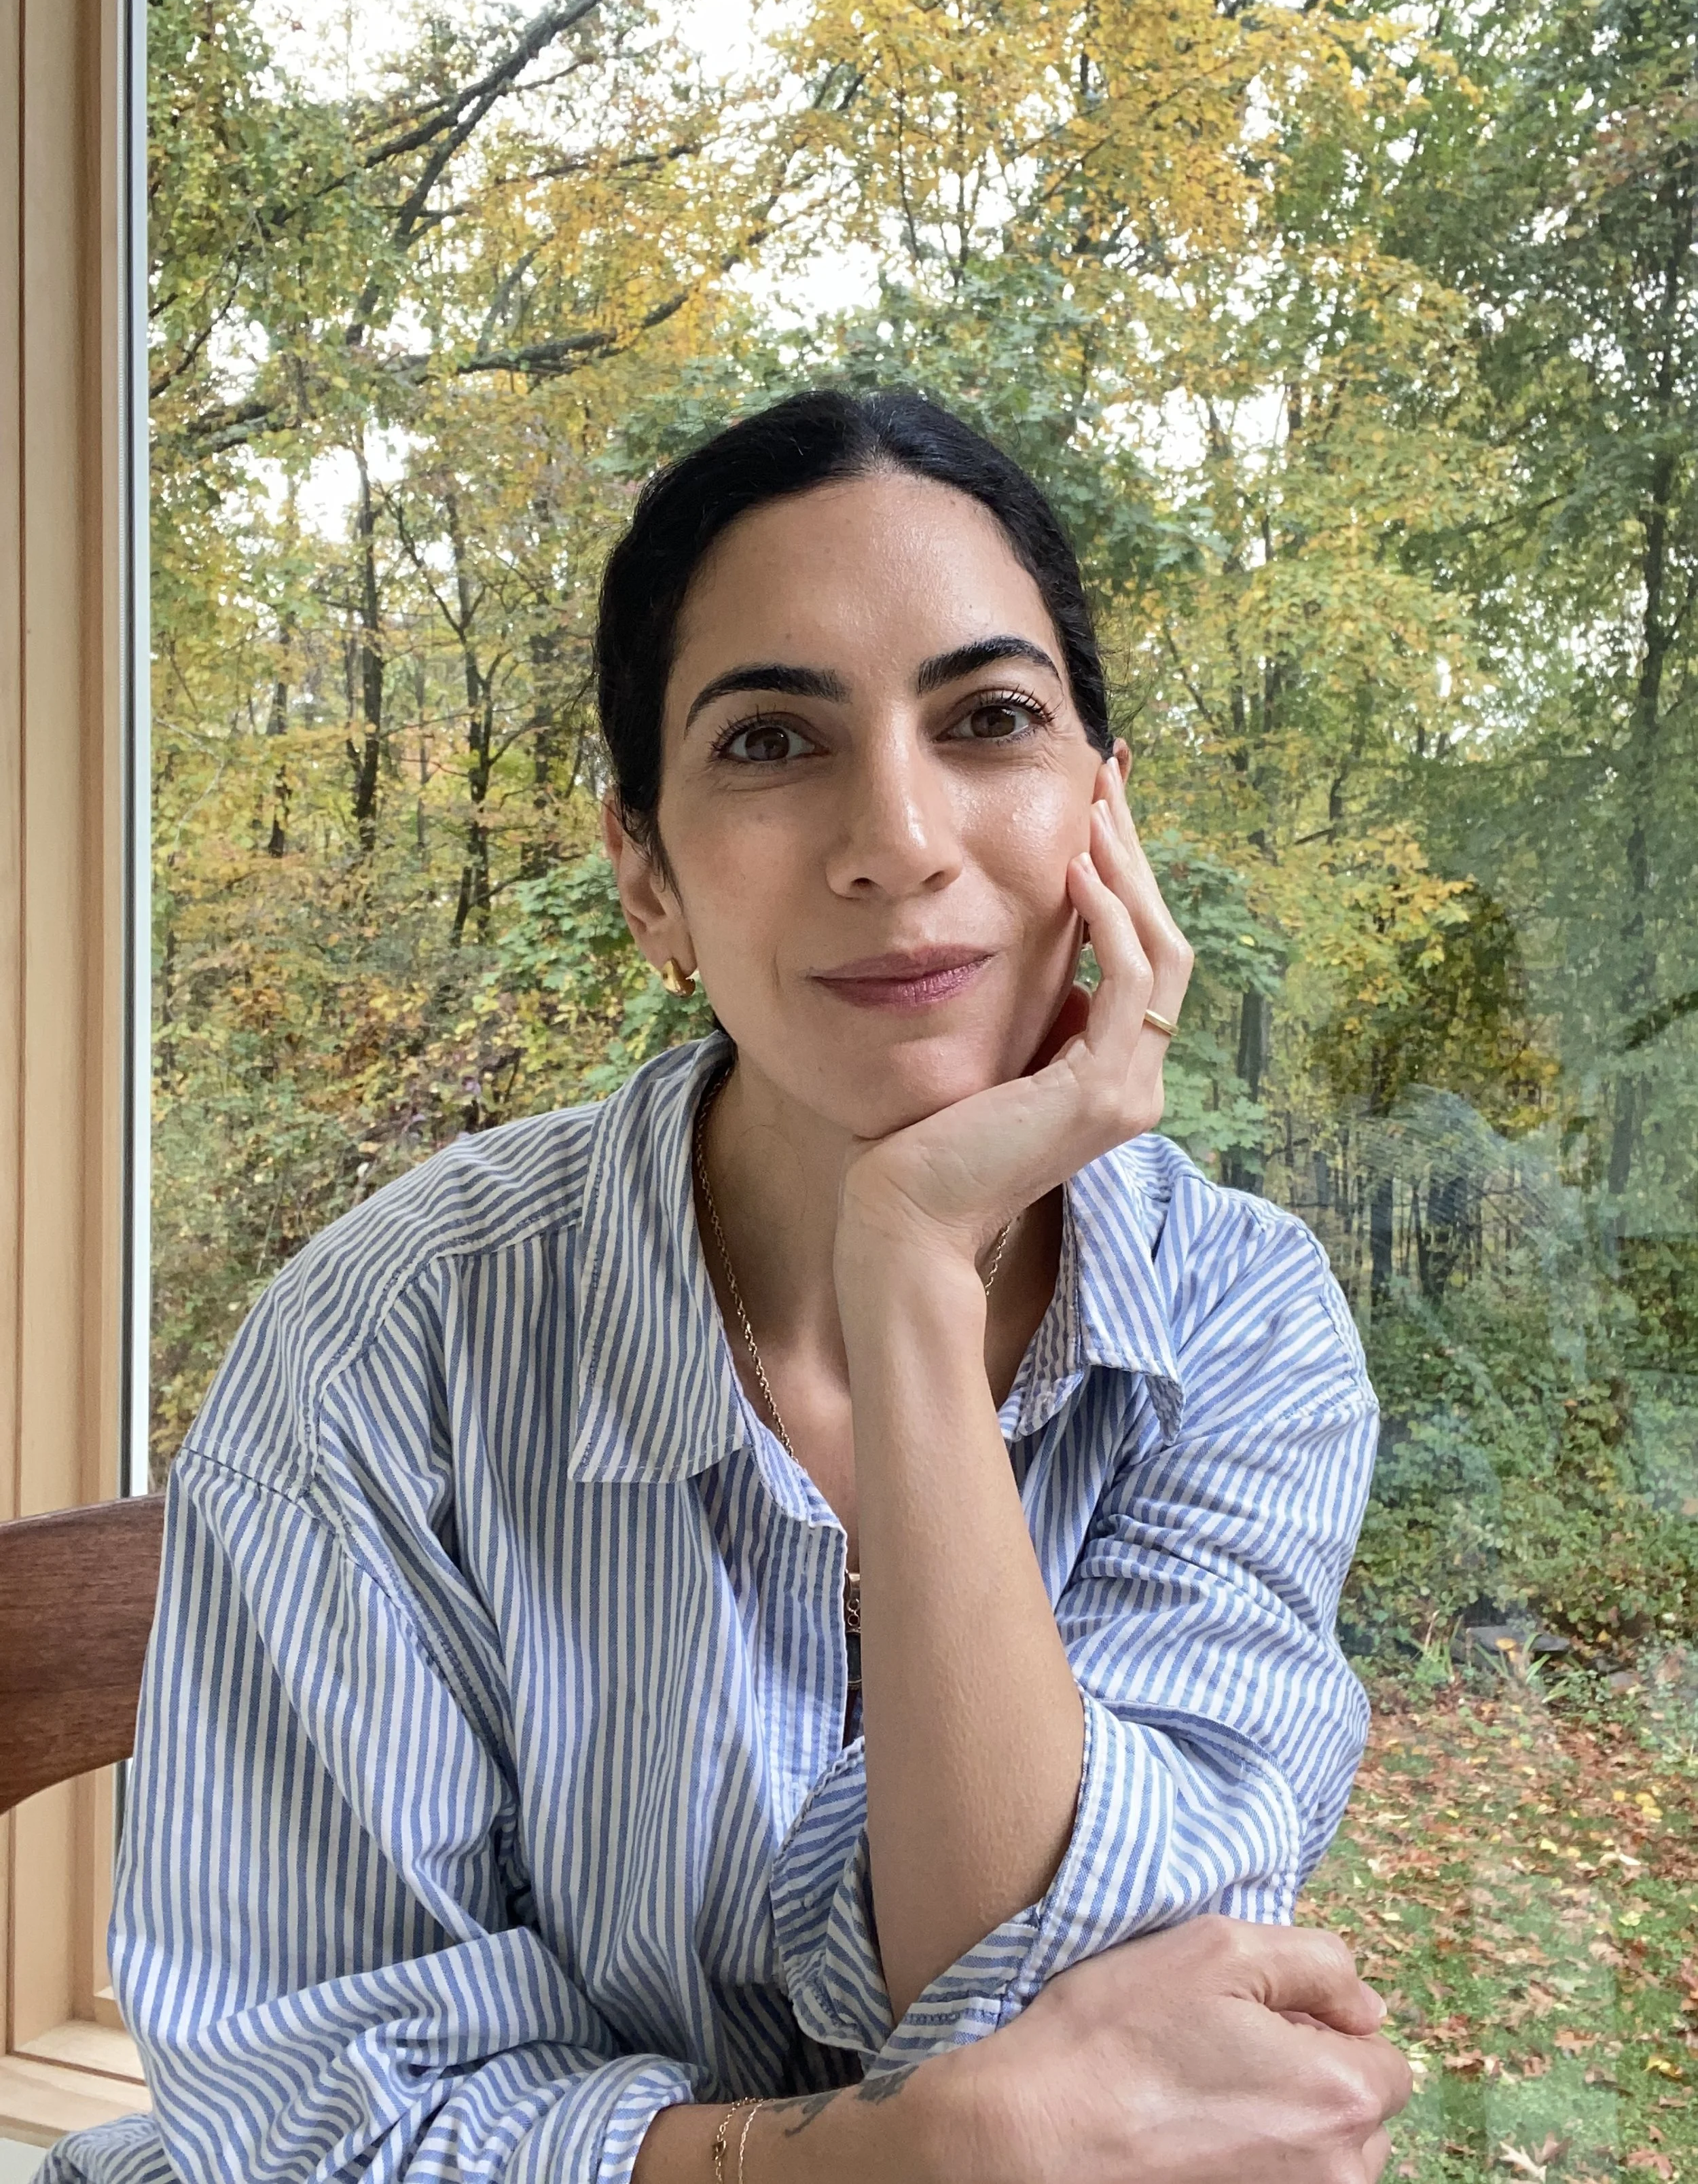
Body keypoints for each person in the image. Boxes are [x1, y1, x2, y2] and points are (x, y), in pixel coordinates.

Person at [47, 389, 1411, 2184]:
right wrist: (868, 2159)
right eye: (772, 742)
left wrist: (912, 1268)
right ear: (645, 877)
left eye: (987, 719)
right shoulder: (398, 1338)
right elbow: (309, 2128)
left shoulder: (1241, 1324)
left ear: (1100, 808)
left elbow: (1089, 2036)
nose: (899, 838)